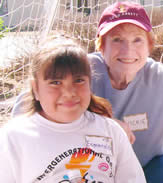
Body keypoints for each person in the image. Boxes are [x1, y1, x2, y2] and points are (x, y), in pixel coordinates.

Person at [0, 38, 146, 183]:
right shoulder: (13, 137)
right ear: (36, 89)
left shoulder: (111, 131)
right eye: (55, 82)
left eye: (79, 81)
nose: (69, 92)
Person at [88, 1, 163, 183]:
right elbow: (25, 111)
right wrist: (103, 125)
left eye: (137, 39)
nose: (127, 50)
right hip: (91, 171)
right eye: (117, 39)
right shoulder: (81, 71)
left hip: (149, 167)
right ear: (101, 46)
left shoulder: (162, 79)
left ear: (149, 46)